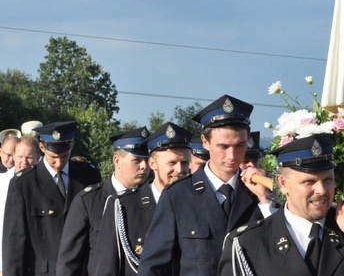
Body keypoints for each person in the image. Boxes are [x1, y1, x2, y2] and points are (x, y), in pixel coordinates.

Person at [138, 95, 273, 276]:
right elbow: (153, 267)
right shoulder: (177, 195)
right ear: (205, 141)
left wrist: (265, 200)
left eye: (240, 145)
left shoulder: (262, 194)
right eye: (223, 146)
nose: (232, 156)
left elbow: (278, 255)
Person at [218, 133, 344, 276]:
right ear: (283, 184)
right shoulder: (247, 242)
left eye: (328, 180)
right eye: (309, 182)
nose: (321, 190)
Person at [2, 121, 101, 276]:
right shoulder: (24, 184)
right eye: (53, 156)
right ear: (42, 148)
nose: (59, 162)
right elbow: (14, 243)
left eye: (64, 156)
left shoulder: (88, 176)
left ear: (71, 147)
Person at [93, 122, 191, 276]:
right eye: (172, 163)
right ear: (152, 163)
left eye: (184, 163)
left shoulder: (197, 204)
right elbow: (106, 267)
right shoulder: (123, 206)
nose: (179, 170)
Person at [55, 127, 150, 276]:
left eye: (147, 160)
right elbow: (69, 262)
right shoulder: (88, 201)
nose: (144, 166)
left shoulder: (153, 200)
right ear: (117, 160)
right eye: (137, 160)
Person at [0, 134, 40, 271]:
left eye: (29, 157)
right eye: (20, 157)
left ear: (37, 159)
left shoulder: (44, 186)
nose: (24, 162)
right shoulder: (2, 182)